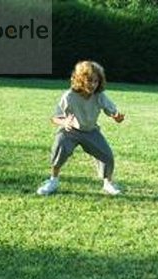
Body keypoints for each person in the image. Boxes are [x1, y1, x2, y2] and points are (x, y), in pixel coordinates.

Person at [37, 60, 125, 196]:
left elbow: (112, 111)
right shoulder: (69, 96)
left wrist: (116, 117)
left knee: (107, 156)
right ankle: (53, 181)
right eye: (89, 80)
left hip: (91, 131)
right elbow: (54, 118)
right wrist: (64, 122)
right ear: (80, 80)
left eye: (96, 81)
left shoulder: (99, 96)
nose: (93, 85)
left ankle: (108, 183)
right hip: (70, 131)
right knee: (59, 149)